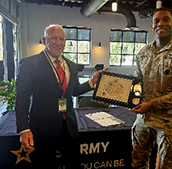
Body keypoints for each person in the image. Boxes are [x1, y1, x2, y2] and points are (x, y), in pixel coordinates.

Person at [15, 24, 105, 168]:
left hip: (68, 126)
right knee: (45, 165)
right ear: (45, 40)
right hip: (42, 128)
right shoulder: (29, 64)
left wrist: (91, 82)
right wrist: (24, 129)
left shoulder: (71, 66)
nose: (58, 42)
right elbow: (21, 99)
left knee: (73, 163)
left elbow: (74, 90)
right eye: (53, 38)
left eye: (61, 39)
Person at [131, 8, 172, 169]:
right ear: (152, 26)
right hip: (144, 118)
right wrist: (129, 97)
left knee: (166, 166)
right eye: (156, 21)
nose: (161, 23)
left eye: (166, 20)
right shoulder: (143, 53)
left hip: (168, 122)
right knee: (137, 162)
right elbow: (137, 83)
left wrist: (153, 103)